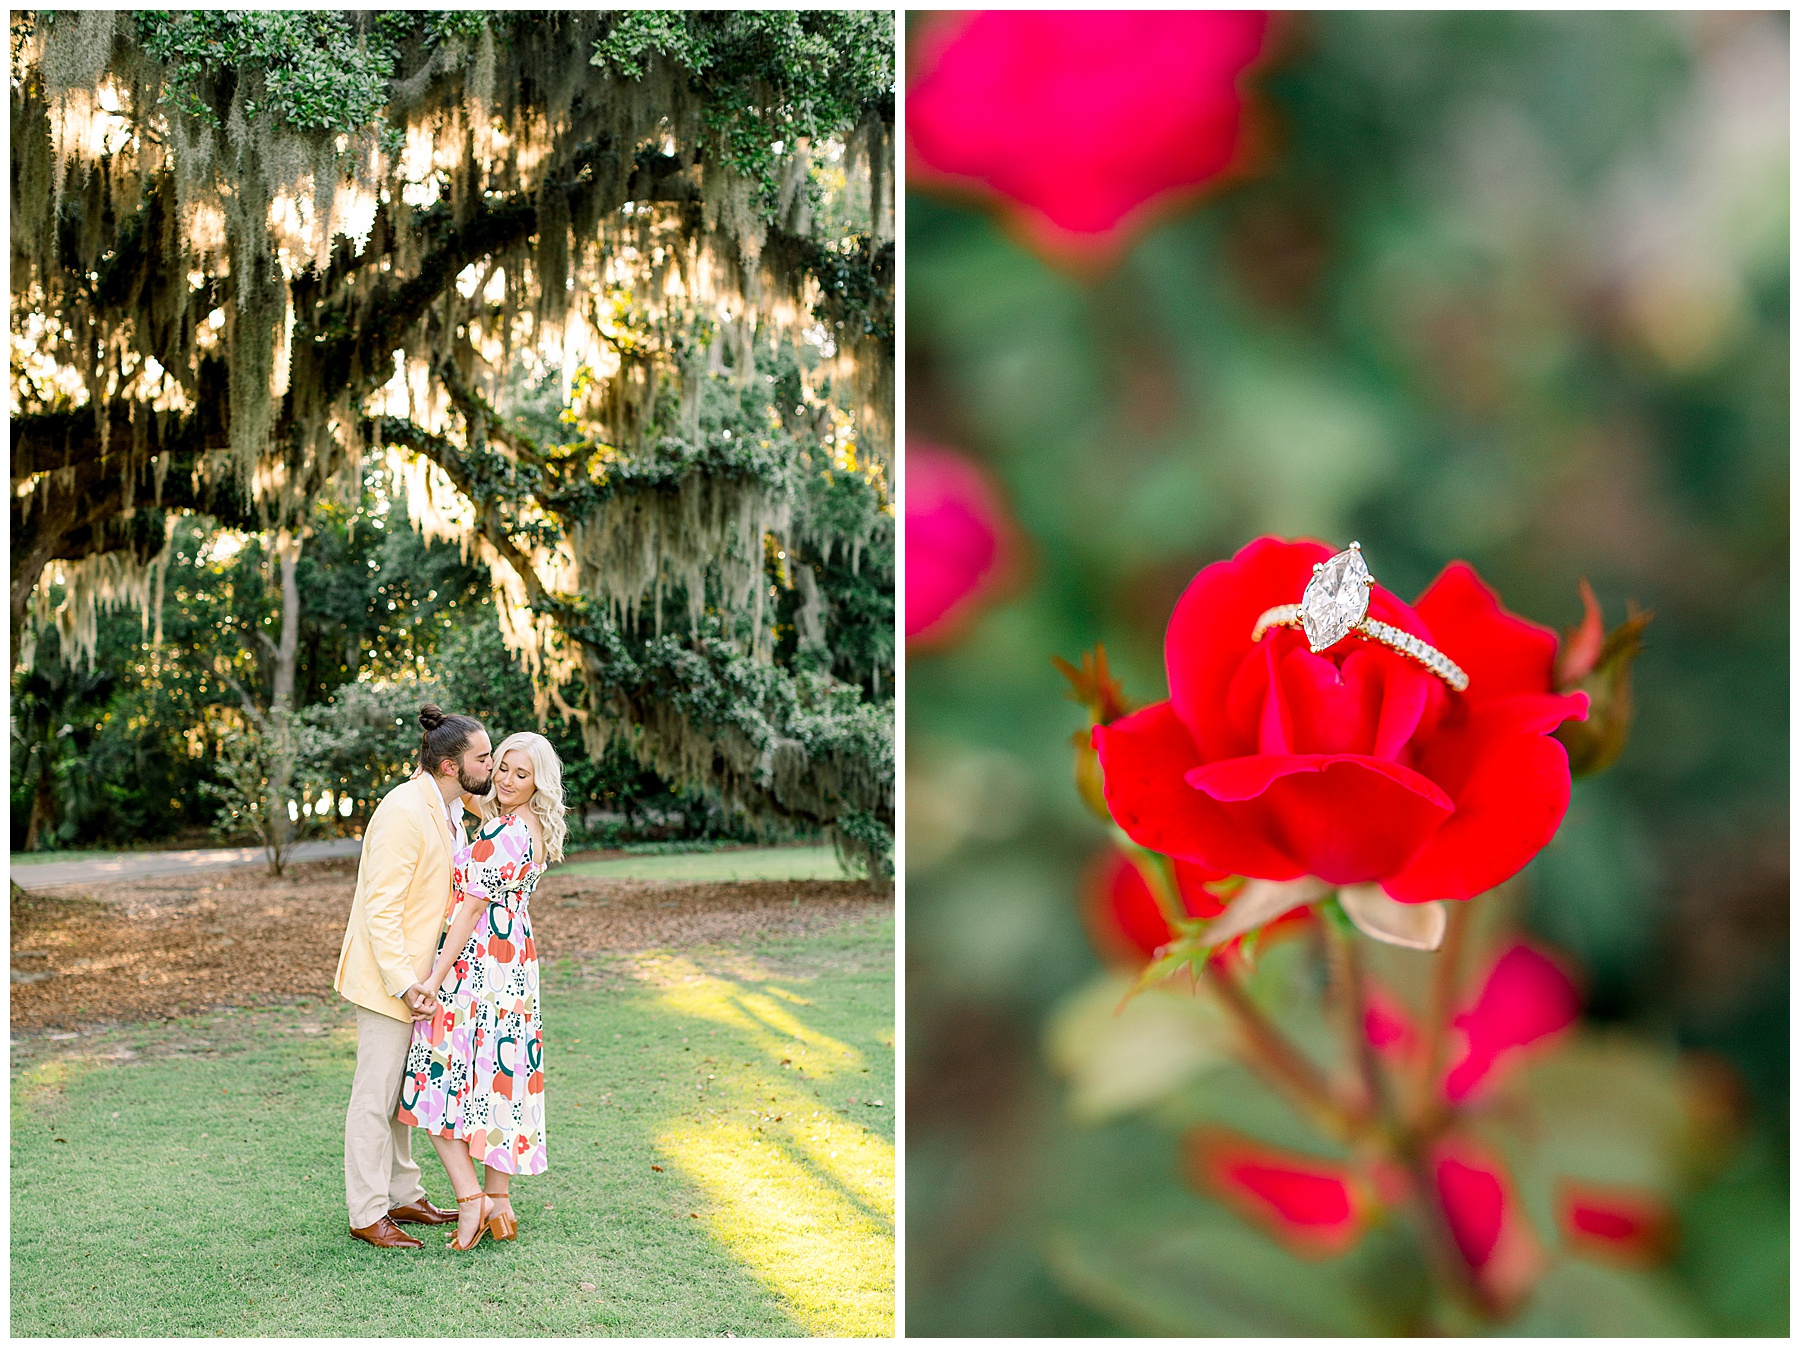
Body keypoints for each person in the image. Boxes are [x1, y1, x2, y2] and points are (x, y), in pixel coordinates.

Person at [332, 705, 494, 1250]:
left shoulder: (449, 807)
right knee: (375, 1098)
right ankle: (366, 1211)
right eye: (484, 757)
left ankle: (404, 1194)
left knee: (405, 1095)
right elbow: (381, 911)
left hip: (424, 982)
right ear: (451, 765)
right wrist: (406, 984)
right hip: (388, 981)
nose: (491, 766)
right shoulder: (404, 811)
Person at [399, 730, 565, 1250]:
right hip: (511, 967)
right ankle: (500, 1203)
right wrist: (442, 777)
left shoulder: (507, 833)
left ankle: (470, 1200)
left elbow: (470, 911)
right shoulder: (527, 826)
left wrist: (432, 978)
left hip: (478, 968)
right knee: (498, 1078)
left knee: (433, 1080)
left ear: (539, 781)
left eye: (522, 774)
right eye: (502, 768)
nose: (508, 780)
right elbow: (481, 801)